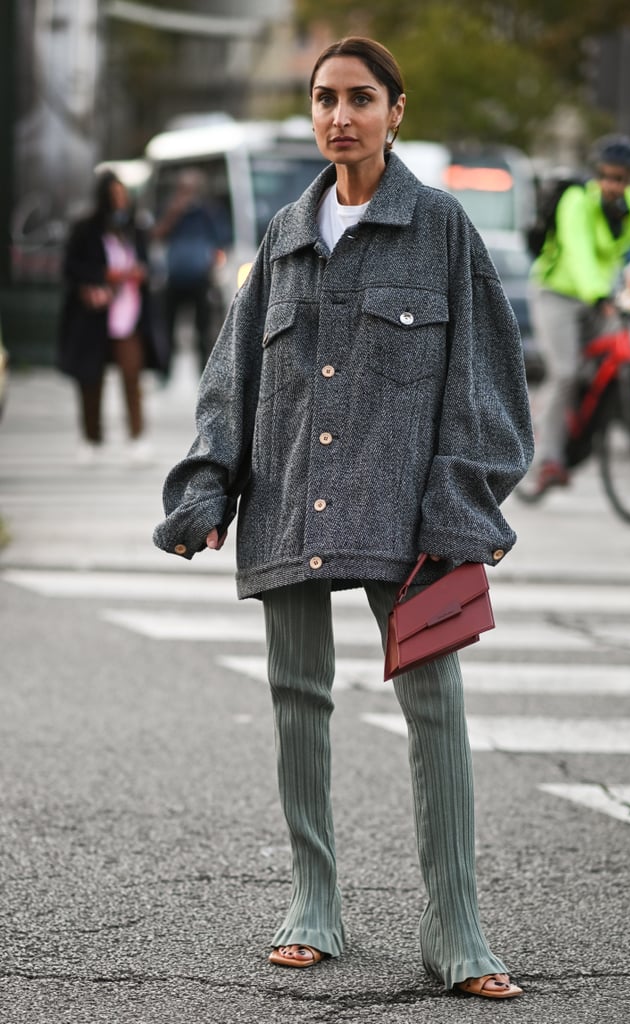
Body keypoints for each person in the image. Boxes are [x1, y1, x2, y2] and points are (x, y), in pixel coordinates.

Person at [153, 37, 533, 1000]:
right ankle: (311, 905)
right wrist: (207, 490)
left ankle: (457, 931)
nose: (339, 116)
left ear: (396, 110)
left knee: (435, 708)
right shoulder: (284, 234)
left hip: (408, 512)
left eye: (360, 98)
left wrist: (459, 502)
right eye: (325, 99)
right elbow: (232, 381)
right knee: (297, 703)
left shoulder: (442, 228)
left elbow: (486, 384)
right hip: (289, 499)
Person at [524, 133, 630, 498]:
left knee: (628, 348)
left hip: (601, 298)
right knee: (566, 373)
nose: (613, 185)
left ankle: (596, 423)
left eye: (621, 178)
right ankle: (547, 459)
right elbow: (578, 252)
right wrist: (598, 295)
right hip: (558, 293)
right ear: (597, 174)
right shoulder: (576, 202)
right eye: (607, 176)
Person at [57, 170, 159, 464]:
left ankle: (137, 437)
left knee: (132, 374)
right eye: (114, 196)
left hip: (129, 315)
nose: (120, 202)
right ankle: (91, 438)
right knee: (91, 379)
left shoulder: (134, 230)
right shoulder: (85, 229)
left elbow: (147, 264)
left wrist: (140, 273)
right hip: (94, 317)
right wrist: (101, 277)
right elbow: (70, 269)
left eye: (122, 196)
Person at [152, 169, 227, 377]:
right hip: (174, 277)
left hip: (199, 277)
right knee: (168, 326)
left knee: (202, 329)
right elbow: (157, 234)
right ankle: (165, 370)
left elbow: (220, 240)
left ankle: (203, 372)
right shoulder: (170, 210)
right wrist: (174, 212)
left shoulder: (208, 212)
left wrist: (212, 263)